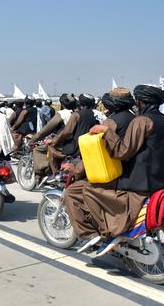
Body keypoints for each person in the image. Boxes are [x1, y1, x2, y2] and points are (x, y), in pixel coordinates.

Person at [72, 85, 164, 257]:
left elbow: (122, 152)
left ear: (141, 101)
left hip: (141, 182)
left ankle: (107, 233)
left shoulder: (142, 121)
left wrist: (106, 131)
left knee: (88, 190)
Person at [64, 88, 136, 254]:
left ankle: (90, 235)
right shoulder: (135, 118)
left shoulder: (109, 123)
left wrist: (75, 169)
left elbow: (97, 154)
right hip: (131, 171)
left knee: (72, 192)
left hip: (113, 173)